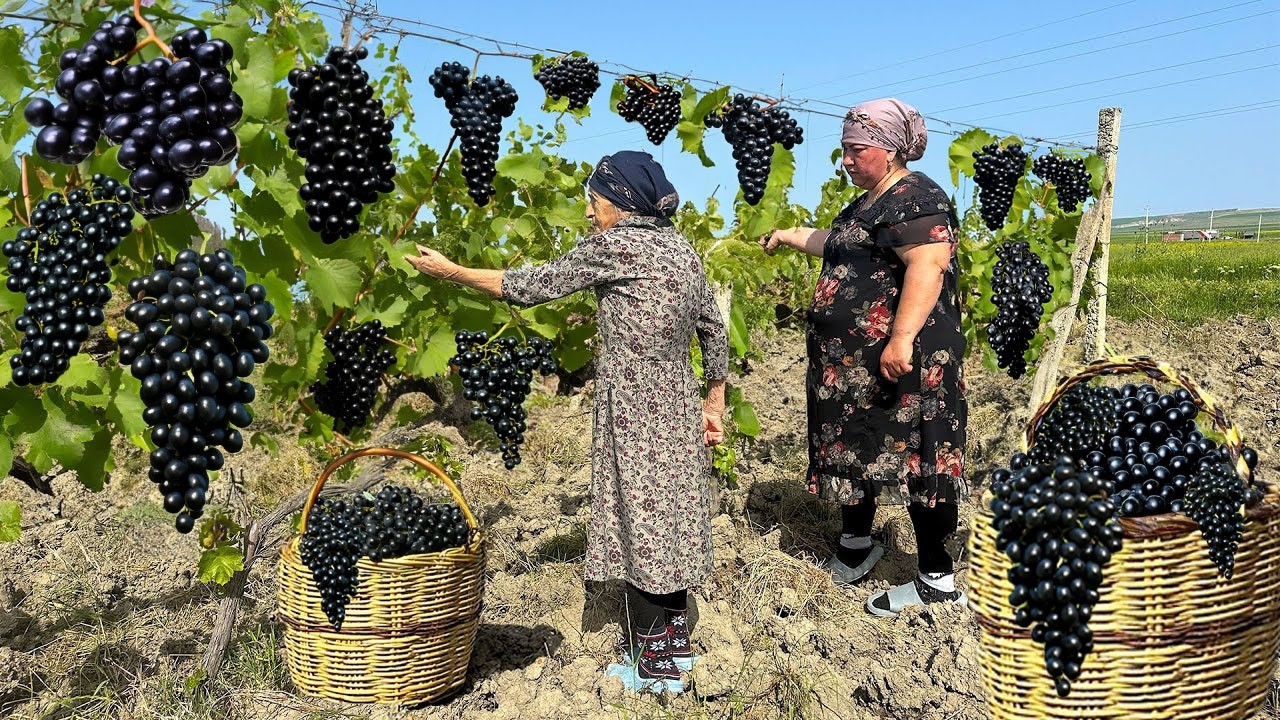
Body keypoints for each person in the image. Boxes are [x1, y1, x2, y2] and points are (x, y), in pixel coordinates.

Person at [406, 150, 728, 690]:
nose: (589, 213)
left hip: (635, 406)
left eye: (595, 202)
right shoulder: (680, 249)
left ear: (621, 203)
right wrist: (712, 403)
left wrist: (451, 271)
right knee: (669, 516)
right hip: (676, 398)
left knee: (639, 523)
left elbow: (531, 285)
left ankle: (654, 670)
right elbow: (714, 328)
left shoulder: (618, 245)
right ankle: (675, 649)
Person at [761, 98, 969, 617]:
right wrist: (789, 236)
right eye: (844, 150)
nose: (846, 160)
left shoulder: (916, 197)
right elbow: (844, 245)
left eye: (857, 150)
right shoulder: (869, 202)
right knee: (858, 448)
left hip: (902, 359)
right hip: (852, 368)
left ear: (891, 148)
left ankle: (936, 578)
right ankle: (858, 545)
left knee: (921, 455)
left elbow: (928, 265)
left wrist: (899, 338)